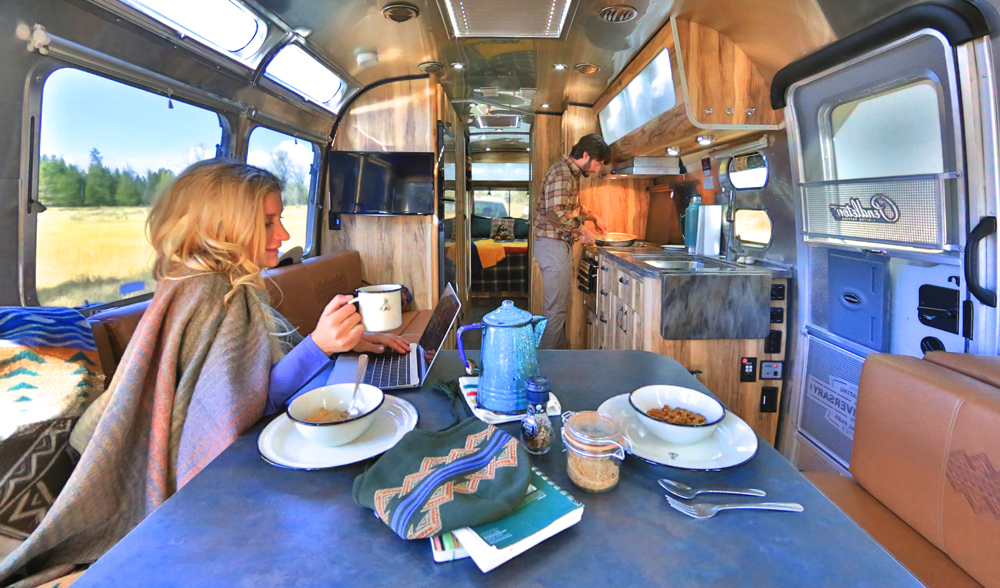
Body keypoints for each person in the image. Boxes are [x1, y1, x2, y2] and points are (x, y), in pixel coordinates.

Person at [0, 160, 406, 585]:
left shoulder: (210, 282)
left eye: (280, 220)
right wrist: (320, 346)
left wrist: (336, 345)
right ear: (224, 227)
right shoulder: (212, 291)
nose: (283, 235)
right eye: (267, 223)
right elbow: (241, 412)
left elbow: (244, 387)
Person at [533, 134, 612, 349]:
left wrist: (592, 217)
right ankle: (545, 365)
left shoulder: (569, 173)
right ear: (586, 155)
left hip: (555, 246)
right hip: (553, 246)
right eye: (598, 163)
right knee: (556, 310)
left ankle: (554, 360)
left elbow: (570, 207)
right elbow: (555, 214)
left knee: (557, 308)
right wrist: (580, 230)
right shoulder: (562, 174)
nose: (597, 169)